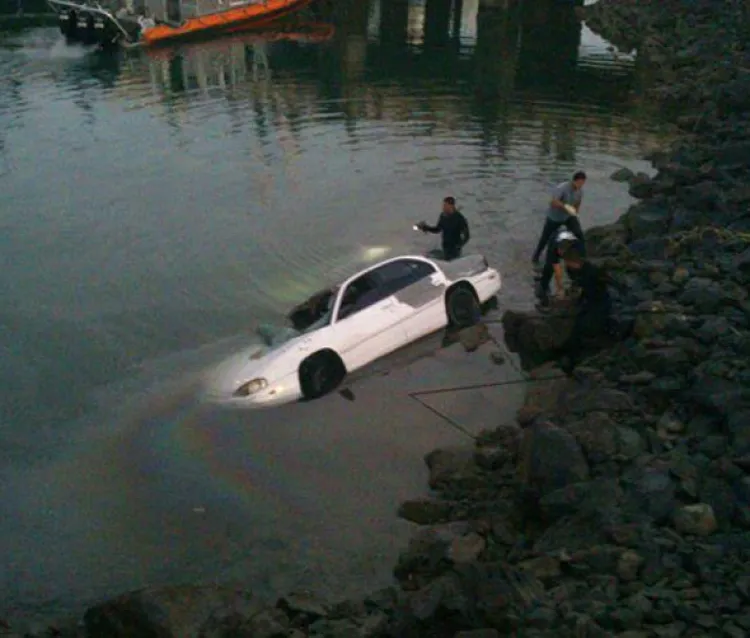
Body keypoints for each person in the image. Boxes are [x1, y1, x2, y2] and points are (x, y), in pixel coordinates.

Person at [554, 243, 615, 375]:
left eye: (568, 262)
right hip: (588, 301)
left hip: (599, 303)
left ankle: (573, 359)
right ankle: (568, 354)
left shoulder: (591, 272)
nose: (566, 266)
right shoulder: (577, 271)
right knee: (576, 324)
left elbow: (604, 284)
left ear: (575, 262)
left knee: (581, 327)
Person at [531, 171, 587, 266]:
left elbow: (578, 202)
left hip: (568, 217)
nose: (581, 185)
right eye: (580, 183)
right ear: (574, 181)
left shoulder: (580, 191)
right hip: (554, 217)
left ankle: (581, 256)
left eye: (583, 183)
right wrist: (565, 206)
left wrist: (575, 212)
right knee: (545, 238)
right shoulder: (562, 188)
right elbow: (553, 202)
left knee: (579, 234)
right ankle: (535, 257)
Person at [535, 228, 580, 310]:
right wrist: (560, 288)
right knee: (549, 267)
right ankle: (543, 287)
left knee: (573, 269)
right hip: (555, 239)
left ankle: (575, 285)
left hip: (570, 242)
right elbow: (557, 269)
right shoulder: (554, 248)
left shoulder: (577, 245)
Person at [416, 196, 470, 261]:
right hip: (445, 246)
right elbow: (437, 229)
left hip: (455, 248)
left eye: (445, 205)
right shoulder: (443, 216)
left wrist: (459, 245)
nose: (443, 207)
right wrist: (426, 227)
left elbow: (467, 235)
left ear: (451, 206)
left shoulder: (459, 218)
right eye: (443, 205)